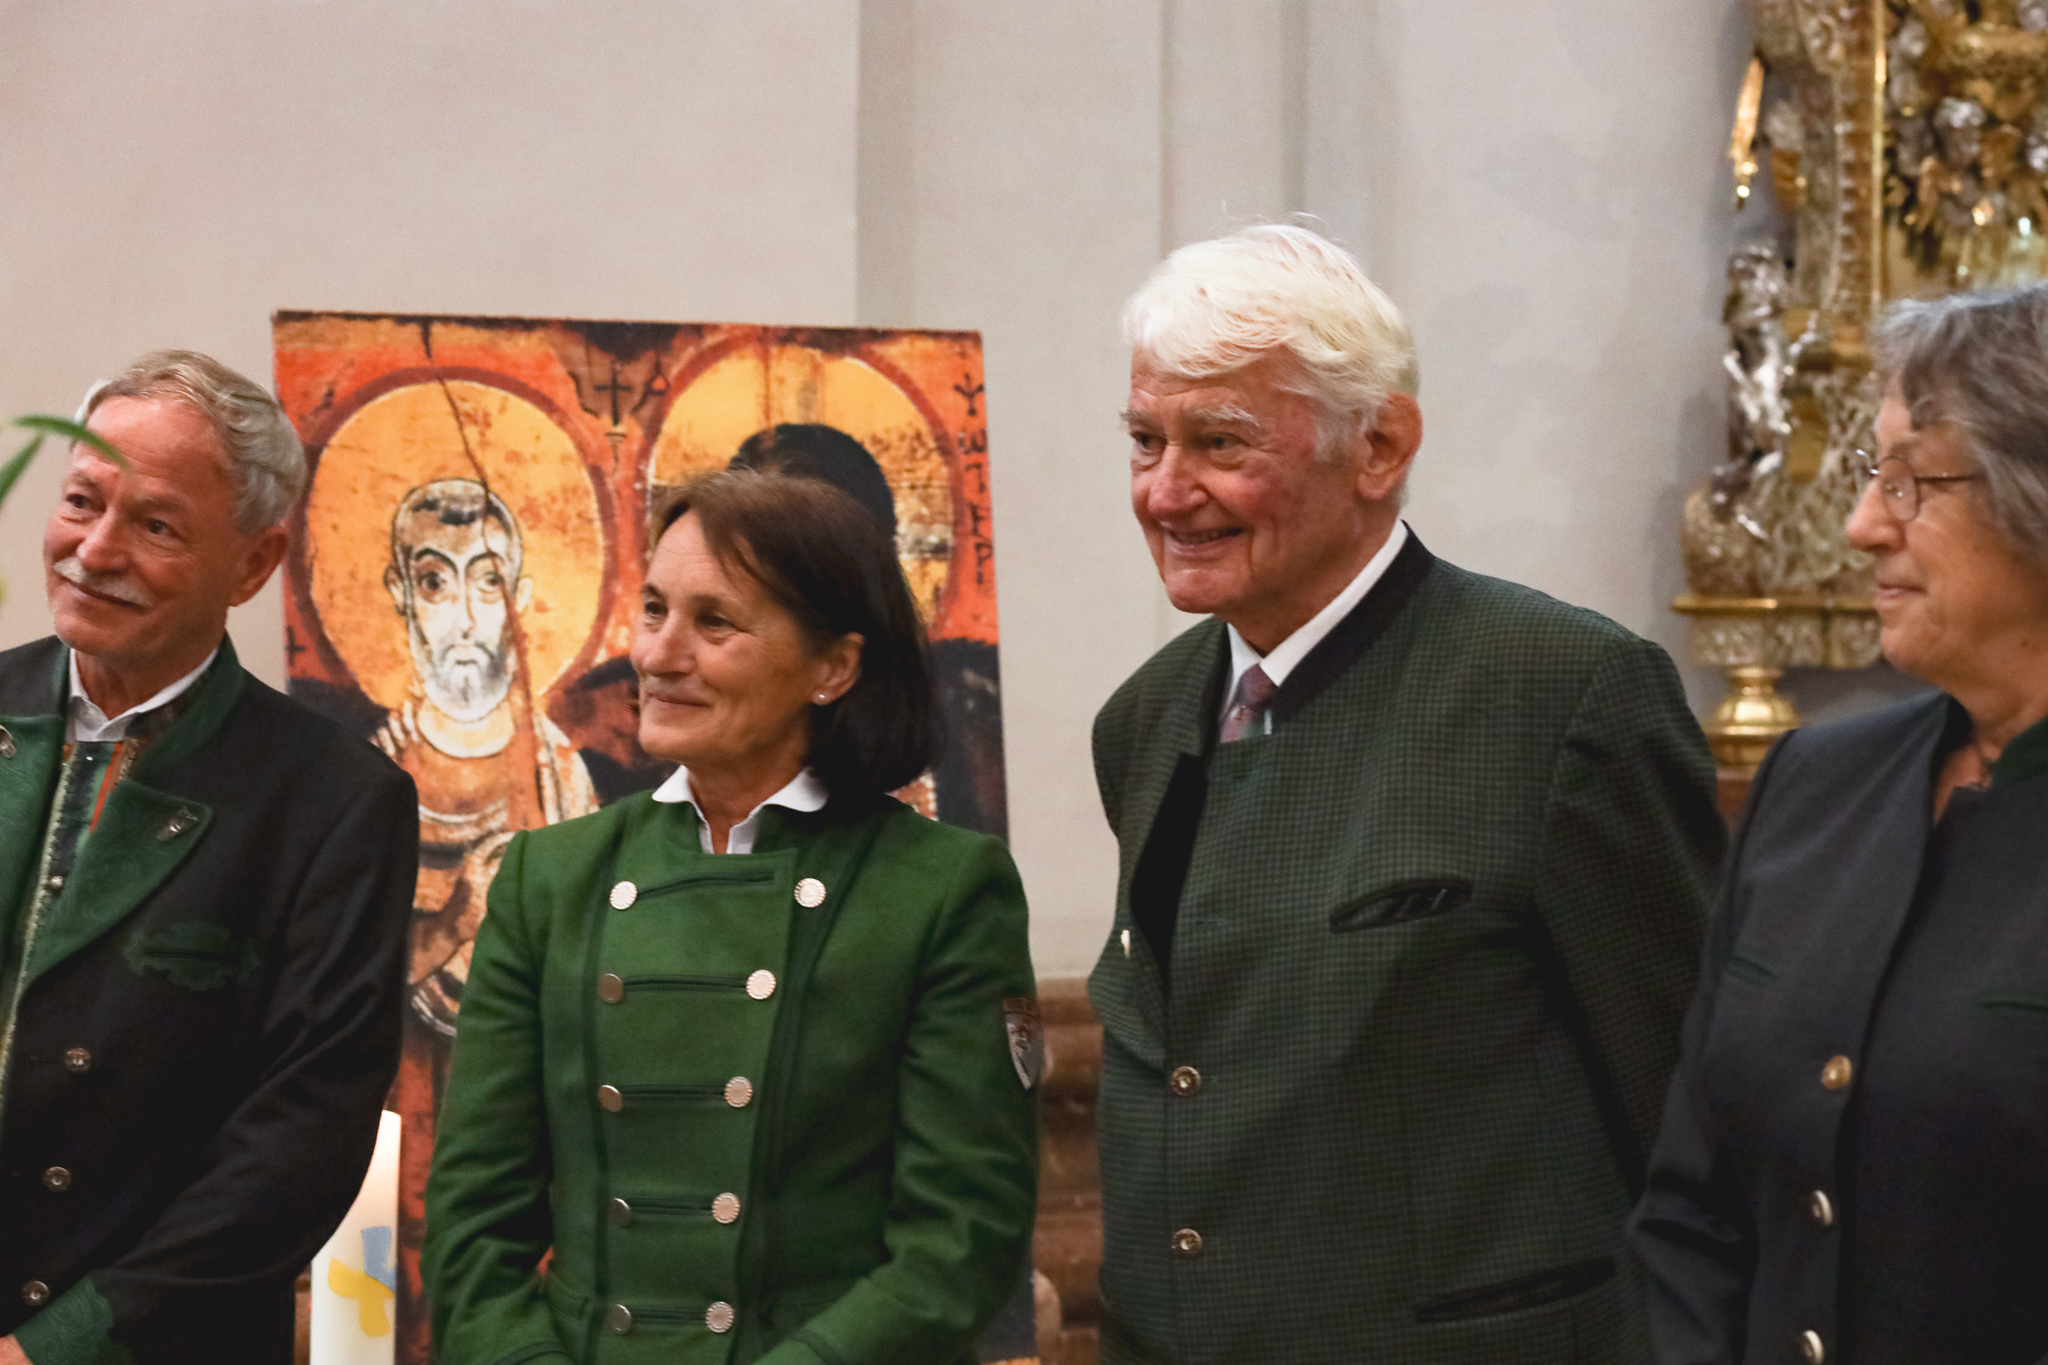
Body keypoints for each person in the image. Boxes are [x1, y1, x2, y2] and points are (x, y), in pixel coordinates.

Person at [1089, 225, 1725, 1364]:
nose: (1166, 492)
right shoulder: (1141, 721)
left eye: (1219, 442)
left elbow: (1685, 1102)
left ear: (1378, 445)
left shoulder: (1564, 694)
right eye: (1145, 441)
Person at [423, 469, 1038, 1363]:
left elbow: (959, 1241)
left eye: (714, 622)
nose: (658, 654)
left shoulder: (941, 889)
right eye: (654, 610)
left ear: (833, 667)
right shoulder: (547, 880)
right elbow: (472, 1225)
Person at [1631, 285, 2048, 1364]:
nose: (1863, 525)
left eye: (1911, 483)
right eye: (1873, 475)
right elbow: (1690, 1207)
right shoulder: (1814, 782)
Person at [0, 351, 417, 1364]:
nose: (95, 549)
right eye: (82, 501)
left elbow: (302, 1135)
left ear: (252, 564)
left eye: (156, 526)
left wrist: (57, 1348)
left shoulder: (333, 800)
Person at [374, 477, 597, 1036]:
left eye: (489, 582)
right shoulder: (369, 774)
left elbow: (599, 952)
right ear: (400, 592)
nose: (466, 620)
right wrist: (451, 926)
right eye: (435, 583)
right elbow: (335, 977)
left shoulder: (559, 774)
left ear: (518, 597)